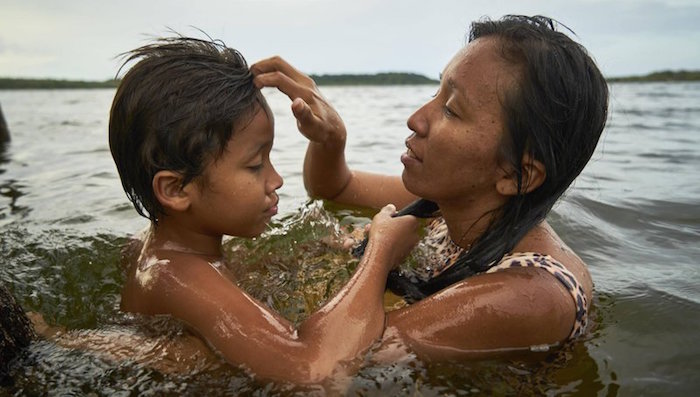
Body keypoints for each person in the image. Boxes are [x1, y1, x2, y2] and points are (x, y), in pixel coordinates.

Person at [252, 15, 608, 358]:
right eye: (436, 93)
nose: (416, 118)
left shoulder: (534, 295)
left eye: (451, 110)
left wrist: (379, 253)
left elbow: (337, 359)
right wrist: (331, 140)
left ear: (516, 174)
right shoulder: (450, 201)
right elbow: (335, 189)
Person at [108, 35, 419, 383]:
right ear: (176, 189)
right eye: (256, 165)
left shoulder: (155, 251)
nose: (277, 179)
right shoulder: (180, 277)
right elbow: (310, 371)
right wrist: (380, 253)